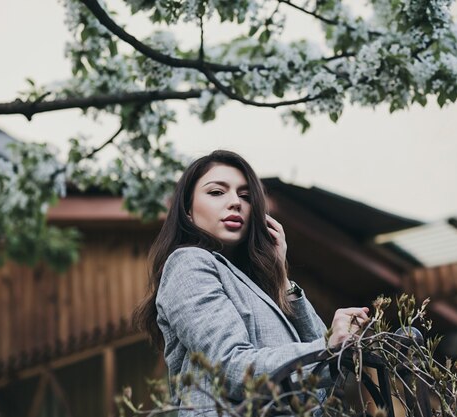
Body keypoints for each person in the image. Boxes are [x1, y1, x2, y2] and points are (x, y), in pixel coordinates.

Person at [134, 150, 369, 416]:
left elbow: (326, 376)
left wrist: (281, 277)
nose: (235, 203)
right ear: (187, 211)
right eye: (216, 192)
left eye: (245, 196)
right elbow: (233, 368)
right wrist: (327, 348)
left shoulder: (254, 287)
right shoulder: (188, 263)